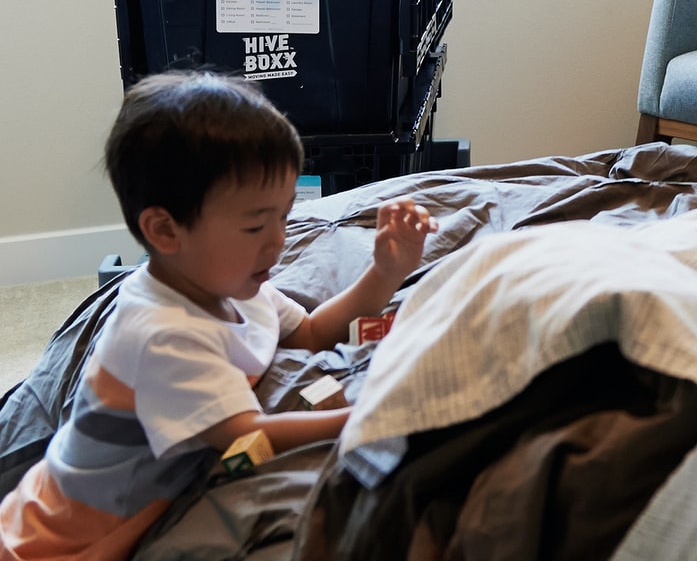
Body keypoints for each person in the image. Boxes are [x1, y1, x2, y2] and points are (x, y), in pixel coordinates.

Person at [0, 72, 437, 561]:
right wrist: (360, 416)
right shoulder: (163, 336)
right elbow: (247, 436)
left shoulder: (229, 281)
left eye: (285, 216)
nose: (278, 240)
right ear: (166, 231)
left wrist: (385, 271)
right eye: (255, 224)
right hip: (63, 539)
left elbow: (312, 333)